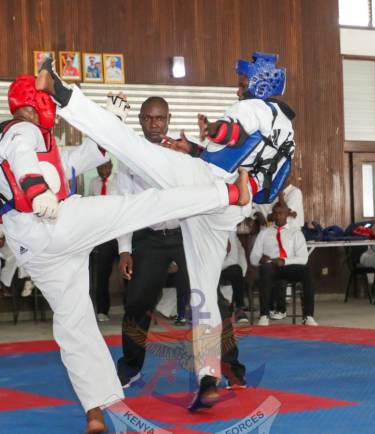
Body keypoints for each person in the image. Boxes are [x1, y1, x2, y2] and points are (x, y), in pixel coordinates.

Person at [0, 75, 250, 432]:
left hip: (35, 248)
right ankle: (227, 196)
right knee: (140, 207)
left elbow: (85, 157)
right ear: (35, 105)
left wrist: (110, 119)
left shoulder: (31, 143)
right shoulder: (21, 130)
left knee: (74, 325)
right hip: (54, 223)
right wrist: (36, 192)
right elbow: (23, 160)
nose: (54, 115)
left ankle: (94, 412)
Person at [37, 51, 294, 410]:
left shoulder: (254, 107)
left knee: (132, 148)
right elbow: (242, 152)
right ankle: (208, 377)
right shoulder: (285, 124)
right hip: (229, 208)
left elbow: (233, 133)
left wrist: (213, 129)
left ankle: (63, 93)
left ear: (259, 84)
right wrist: (194, 148)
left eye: (242, 84)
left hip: (210, 186)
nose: (238, 90)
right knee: (204, 292)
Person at [114, 96, 247, 391]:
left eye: (159, 118)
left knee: (210, 298)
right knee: (137, 302)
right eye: (148, 118)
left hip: (189, 231)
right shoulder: (129, 157)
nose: (154, 124)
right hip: (149, 237)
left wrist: (220, 235)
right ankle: (130, 367)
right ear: (140, 120)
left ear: (169, 119)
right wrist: (125, 249)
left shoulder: (183, 153)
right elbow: (122, 205)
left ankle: (231, 369)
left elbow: (211, 193)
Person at [251, 202, 316, 326]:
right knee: (265, 268)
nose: (278, 216)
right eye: (275, 213)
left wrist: (285, 261)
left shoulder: (295, 232)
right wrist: (260, 259)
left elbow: (303, 258)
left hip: (289, 266)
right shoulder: (264, 233)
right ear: (272, 215)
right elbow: (253, 257)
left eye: (281, 213)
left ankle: (308, 316)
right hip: (271, 267)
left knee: (307, 271)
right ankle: (264, 315)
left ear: (287, 214)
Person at [89, 161, 119, 321]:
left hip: (121, 232)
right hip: (103, 235)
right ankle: (102, 310)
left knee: (128, 273)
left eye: (105, 167)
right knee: (102, 274)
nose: (103, 170)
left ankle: (131, 308)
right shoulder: (93, 183)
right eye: (99, 167)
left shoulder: (120, 181)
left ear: (111, 166)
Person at [220, 230, 248, 323]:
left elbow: (233, 260)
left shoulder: (230, 232)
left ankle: (239, 309)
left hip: (224, 268)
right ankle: (223, 304)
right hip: (209, 269)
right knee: (208, 275)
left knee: (236, 270)